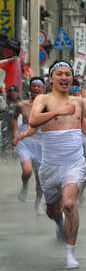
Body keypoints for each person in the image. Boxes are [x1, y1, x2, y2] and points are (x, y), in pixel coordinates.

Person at [29, 61, 86, 269]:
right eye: (60, 74)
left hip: (74, 162)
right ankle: (58, 222)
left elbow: (83, 121)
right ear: (51, 78)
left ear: (72, 78)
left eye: (68, 74)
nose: (64, 78)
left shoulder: (78, 101)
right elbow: (33, 120)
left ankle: (70, 253)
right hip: (50, 165)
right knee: (52, 210)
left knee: (70, 203)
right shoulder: (42, 100)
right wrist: (57, 112)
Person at [11, 78, 45, 215]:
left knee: (40, 178)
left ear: (43, 90)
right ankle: (25, 185)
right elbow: (14, 118)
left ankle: (38, 201)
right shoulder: (22, 104)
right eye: (33, 86)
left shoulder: (48, 105)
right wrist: (14, 135)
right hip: (25, 141)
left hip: (42, 143)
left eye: (39, 86)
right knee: (27, 171)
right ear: (29, 89)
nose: (36, 88)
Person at [1, 85, 22, 159]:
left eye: (15, 92)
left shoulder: (21, 102)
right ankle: (8, 161)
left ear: (17, 93)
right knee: (7, 147)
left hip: (18, 128)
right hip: (6, 128)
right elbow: (3, 106)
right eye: (11, 92)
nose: (13, 94)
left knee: (17, 147)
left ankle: (16, 161)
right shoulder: (7, 101)